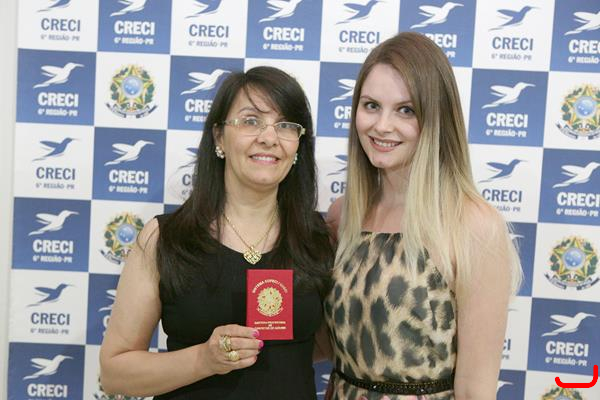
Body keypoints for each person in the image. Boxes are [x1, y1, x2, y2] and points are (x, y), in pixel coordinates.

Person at [100, 66, 334, 399]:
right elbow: (114, 374)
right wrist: (203, 359)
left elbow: (328, 345)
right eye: (251, 120)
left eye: (285, 125)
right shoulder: (165, 239)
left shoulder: (319, 237)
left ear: (298, 144)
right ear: (219, 137)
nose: (269, 138)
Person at [324, 32, 522, 400]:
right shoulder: (343, 214)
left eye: (406, 110)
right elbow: (323, 343)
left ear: (436, 118)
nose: (382, 125)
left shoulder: (473, 225)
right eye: (371, 105)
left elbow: (475, 389)